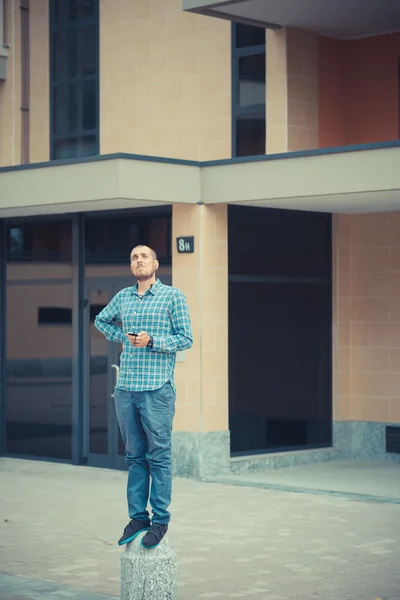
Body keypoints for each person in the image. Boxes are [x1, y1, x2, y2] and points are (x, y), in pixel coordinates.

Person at [94, 245, 193, 549]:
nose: (139, 260)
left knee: (158, 456)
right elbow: (101, 320)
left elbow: (186, 338)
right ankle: (138, 517)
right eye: (134, 257)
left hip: (157, 389)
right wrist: (122, 337)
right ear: (131, 266)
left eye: (144, 256)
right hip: (126, 388)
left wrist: (152, 342)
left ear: (156, 264)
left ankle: (160, 520)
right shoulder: (123, 296)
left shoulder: (172, 296)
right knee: (135, 456)